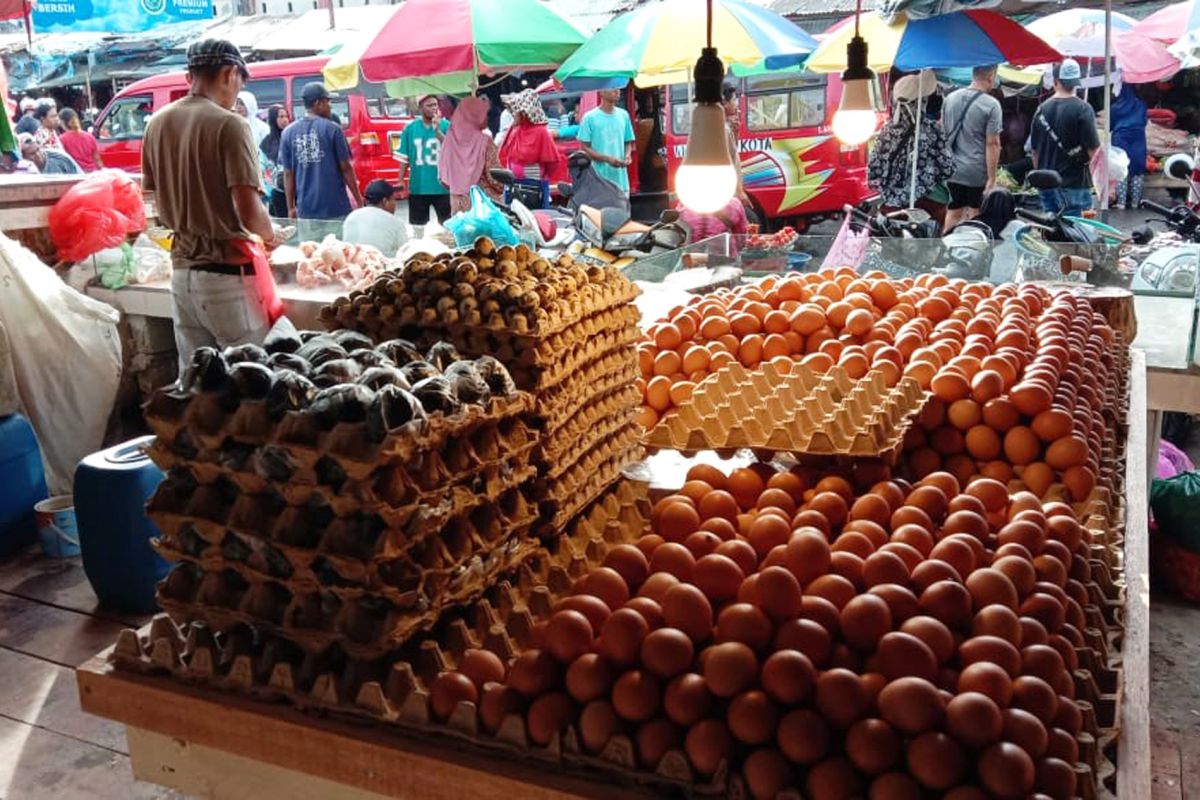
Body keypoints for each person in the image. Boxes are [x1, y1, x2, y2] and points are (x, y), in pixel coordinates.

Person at [141, 39, 285, 367]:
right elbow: (249, 212)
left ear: (189, 75)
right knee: (250, 383)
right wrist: (271, 235)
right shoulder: (230, 124)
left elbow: (152, 199)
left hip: (181, 274)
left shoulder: (158, 123)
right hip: (227, 279)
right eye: (240, 81)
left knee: (197, 383)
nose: (238, 90)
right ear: (229, 73)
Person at [867, 70, 955, 227]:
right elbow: (948, 168)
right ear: (922, 101)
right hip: (929, 204)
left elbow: (874, 171)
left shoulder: (886, 131)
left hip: (892, 206)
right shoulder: (931, 129)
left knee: (892, 248)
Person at [280, 82, 362, 235]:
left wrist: (290, 207)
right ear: (318, 103)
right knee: (338, 254)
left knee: (312, 255)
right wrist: (358, 199)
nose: (330, 106)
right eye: (328, 101)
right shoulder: (333, 129)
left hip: (306, 211)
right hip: (335, 208)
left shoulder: (287, 133)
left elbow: (287, 173)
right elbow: (346, 168)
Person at [1030, 58, 1100, 217]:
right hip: (1074, 185)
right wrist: (1103, 185)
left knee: (1051, 232)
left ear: (1055, 82)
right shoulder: (1083, 109)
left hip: (1046, 184)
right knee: (1076, 233)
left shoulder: (1040, 110)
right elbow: (1094, 152)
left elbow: (1034, 151)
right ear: (1076, 82)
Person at [942, 65, 1003, 229]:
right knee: (976, 212)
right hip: (976, 171)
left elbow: (944, 131)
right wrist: (992, 178)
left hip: (952, 169)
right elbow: (993, 143)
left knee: (954, 210)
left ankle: (946, 248)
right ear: (991, 76)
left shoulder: (950, 98)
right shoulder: (991, 105)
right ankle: (974, 250)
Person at [438, 95, 503, 214]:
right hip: (483, 205)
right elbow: (495, 176)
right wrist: (502, 188)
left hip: (458, 205)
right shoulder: (485, 141)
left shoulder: (450, 140)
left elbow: (442, 177)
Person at [497, 89, 564, 200]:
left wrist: (539, 175)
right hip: (512, 184)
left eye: (516, 111)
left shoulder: (541, 132)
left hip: (534, 186)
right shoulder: (515, 130)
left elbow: (552, 162)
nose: (513, 114)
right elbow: (504, 151)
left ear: (524, 113)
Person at [397, 94, 450, 232]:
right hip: (418, 186)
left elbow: (453, 150)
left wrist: (437, 130)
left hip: (443, 186)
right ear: (420, 108)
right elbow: (404, 157)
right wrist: (400, 180)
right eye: (429, 105)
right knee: (418, 227)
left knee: (448, 225)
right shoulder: (410, 128)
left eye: (435, 105)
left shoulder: (446, 125)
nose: (434, 108)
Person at [579, 88, 635, 194]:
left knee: (622, 210)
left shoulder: (623, 115)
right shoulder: (589, 118)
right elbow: (584, 148)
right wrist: (607, 159)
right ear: (601, 92)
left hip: (621, 182)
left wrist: (627, 155)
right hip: (599, 181)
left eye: (618, 88)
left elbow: (628, 142)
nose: (617, 91)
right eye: (612, 88)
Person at [342, 180, 408, 256]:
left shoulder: (351, 217)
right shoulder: (396, 223)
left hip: (351, 264)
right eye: (393, 200)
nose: (395, 204)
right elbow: (405, 253)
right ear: (385, 201)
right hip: (381, 265)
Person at [1111, 84, 1147, 210]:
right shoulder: (1141, 105)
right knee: (1137, 169)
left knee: (1121, 169)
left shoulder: (1115, 107)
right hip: (1138, 138)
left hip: (1120, 138)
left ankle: (1121, 203)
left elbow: (1110, 125)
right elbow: (1144, 121)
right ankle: (1135, 203)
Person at [678, 195, 749, 245]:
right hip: (726, 259)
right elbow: (742, 237)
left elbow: (678, 234)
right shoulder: (734, 204)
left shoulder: (683, 205)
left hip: (691, 260)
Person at [260, 104, 289, 217]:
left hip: (297, 190)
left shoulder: (292, 136)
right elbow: (263, 165)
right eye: (280, 117)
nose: (284, 120)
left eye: (286, 116)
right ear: (273, 119)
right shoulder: (267, 142)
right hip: (277, 191)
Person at [58, 108, 103, 172]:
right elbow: (97, 160)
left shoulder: (62, 139)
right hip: (92, 173)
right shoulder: (89, 136)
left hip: (76, 174)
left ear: (63, 122)